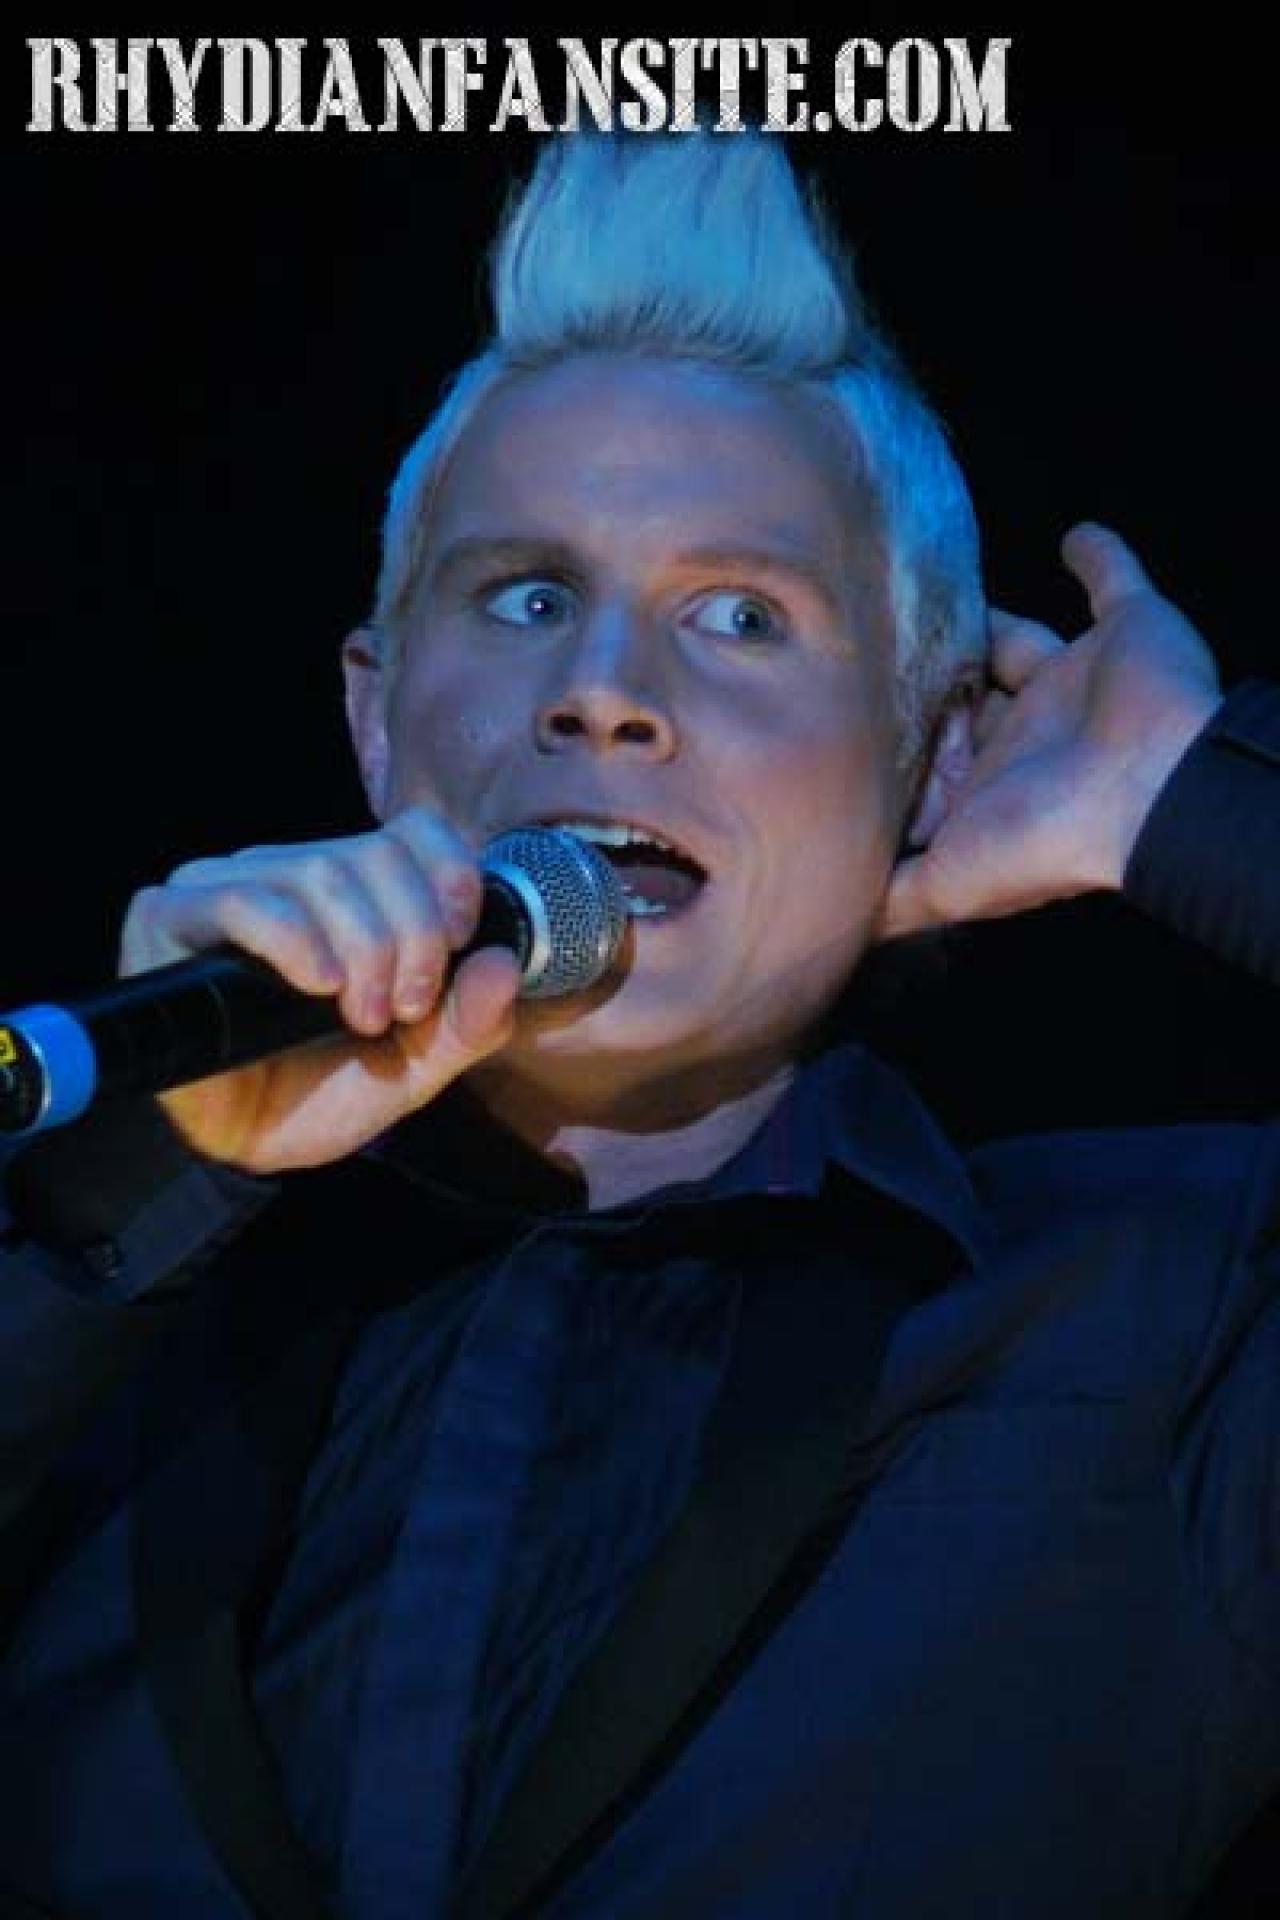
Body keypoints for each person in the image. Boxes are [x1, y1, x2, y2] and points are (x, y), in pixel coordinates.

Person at [0, 130, 1275, 1920]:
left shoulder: (1171, 1314)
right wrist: (131, 1190)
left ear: (931, 757)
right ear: (376, 718)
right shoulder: (92, 1300)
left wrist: (1184, 806)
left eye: (741, 616)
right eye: (527, 599)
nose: (602, 692)